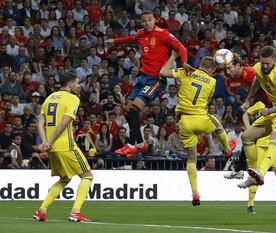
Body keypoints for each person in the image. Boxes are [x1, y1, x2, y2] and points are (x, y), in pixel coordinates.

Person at [106, 11, 188, 158]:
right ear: (142, 23)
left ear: (154, 21)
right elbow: (131, 38)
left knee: (135, 108)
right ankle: (139, 144)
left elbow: (181, 48)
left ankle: (132, 145)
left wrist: (185, 63)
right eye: (144, 21)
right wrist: (115, 41)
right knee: (127, 109)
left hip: (156, 79)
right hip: (142, 77)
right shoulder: (141, 34)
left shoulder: (163, 34)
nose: (147, 23)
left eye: (150, 20)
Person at [160, 51, 236, 207]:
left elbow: (162, 72)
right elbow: (207, 101)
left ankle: (195, 193)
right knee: (217, 123)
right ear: (211, 70)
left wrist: (174, 57)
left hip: (185, 121)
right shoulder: (212, 81)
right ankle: (227, 150)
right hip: (201, 118)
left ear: (201, 65)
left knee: (191, 159)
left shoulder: (186, 72)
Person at [235, 46, 276, 213]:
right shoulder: (258, 68)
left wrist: (270, 110)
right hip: (275, 110)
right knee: (246, 137)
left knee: (274, 139)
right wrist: (248, 100)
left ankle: (260, 173)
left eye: (267, 63)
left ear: (274, 61)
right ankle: (253, 176)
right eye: (262, 62)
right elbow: (257, 80)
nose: (264, 66)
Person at [33, 72, 93, 223]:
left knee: (65, 178)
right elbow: (64, 122)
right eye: (77, 83)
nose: (79, 86)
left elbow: (40, 122)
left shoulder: (49, 98)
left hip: (52, 149)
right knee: (87, 176)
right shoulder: (73, 98)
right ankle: (75, 212)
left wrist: (46, 142)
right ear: (71, 84)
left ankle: (41, 211)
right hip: (66, 145)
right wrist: (50, 141)